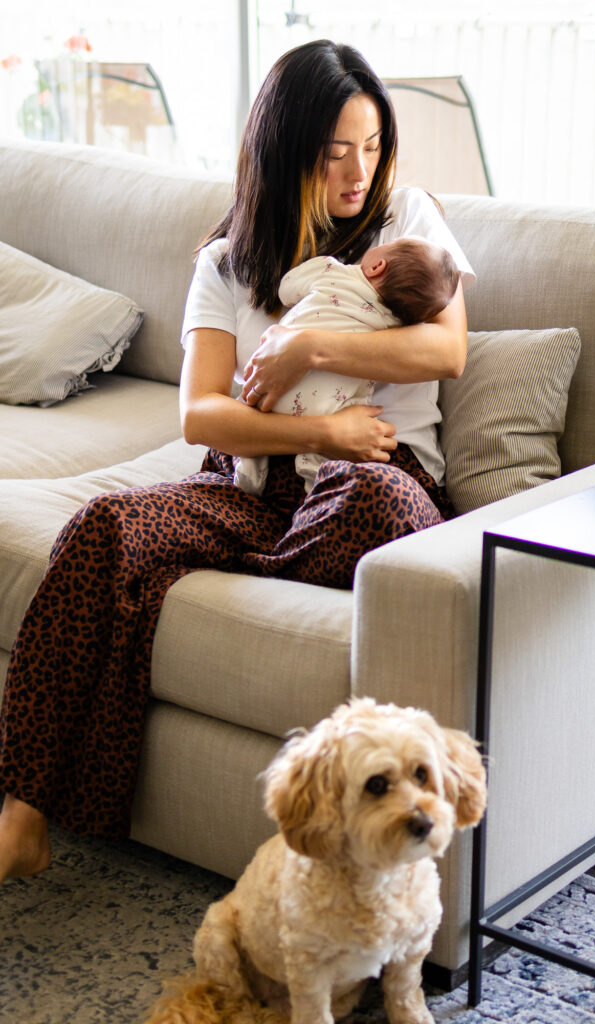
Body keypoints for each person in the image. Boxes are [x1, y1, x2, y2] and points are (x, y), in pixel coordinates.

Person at [0, 39, 474, 883]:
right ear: (285, 152)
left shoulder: (408, 221)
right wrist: (316, 433)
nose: (356, 173)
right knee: (105, 526)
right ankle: (24, 810)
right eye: (333, 156)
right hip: (255, 486)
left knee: (387, 511)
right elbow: (202, 411)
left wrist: (307, 353)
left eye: (370, 148)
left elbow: (448, 351)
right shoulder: (225, 262)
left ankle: (231, 562)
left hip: (373, 478)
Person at [233, 237, 461, 495]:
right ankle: (313, 477)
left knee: (250, 405)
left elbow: (286, 290)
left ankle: (250, 466)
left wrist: (308, 342)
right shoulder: (394, 326)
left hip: (266, 401)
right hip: (327, 412)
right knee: (356, 397)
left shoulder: (332, 272)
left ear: (377, 266)